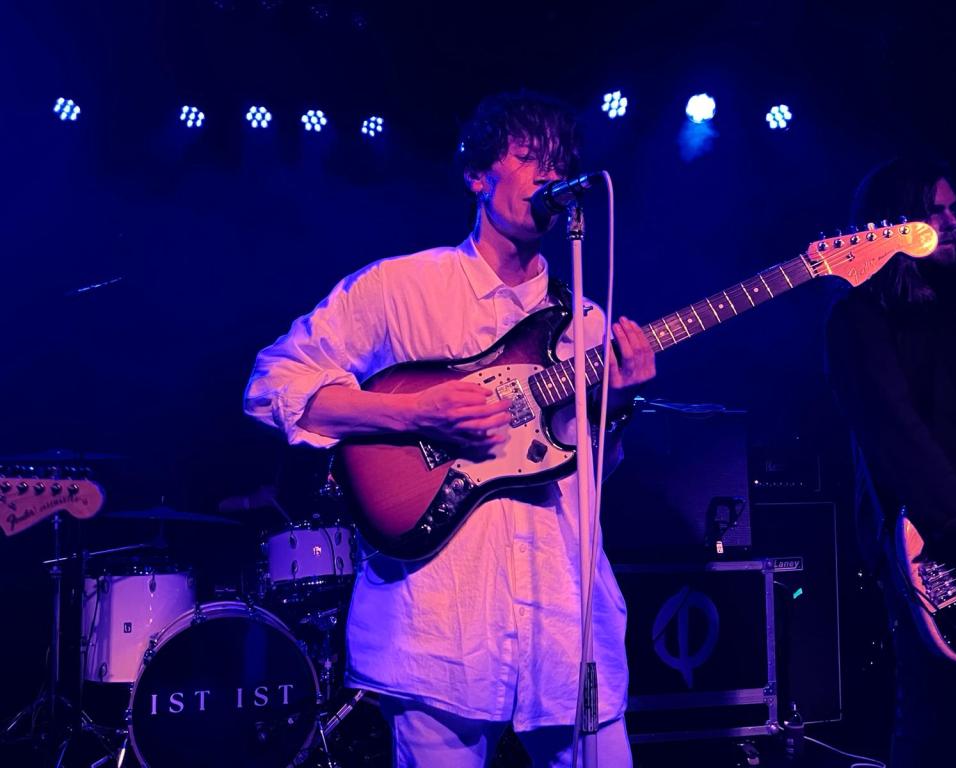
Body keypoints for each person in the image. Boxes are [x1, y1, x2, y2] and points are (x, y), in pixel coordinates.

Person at [244, 90, 655, 767]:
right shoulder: (399, 289)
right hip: (439, 629)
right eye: (529, 157)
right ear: (477, 175)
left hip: (566, 626)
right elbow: (272, 386)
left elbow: (591, 477)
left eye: (558, 161)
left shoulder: (584, 317)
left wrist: (615, 406)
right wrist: (415, 413)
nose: (548, 174)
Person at [825, 158, 956, 767]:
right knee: (940, 725)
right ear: (895, 223)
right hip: (938, 547)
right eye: (935, 210)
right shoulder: (861, 317)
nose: (951, 220)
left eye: (954, 208)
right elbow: (895, 434)